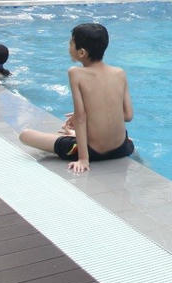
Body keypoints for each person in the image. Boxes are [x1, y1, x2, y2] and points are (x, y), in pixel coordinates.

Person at [18, 23, 134, 174]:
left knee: (25, 135)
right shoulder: (119, 72)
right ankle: (77, 136)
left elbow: (80, 118)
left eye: (71, 43)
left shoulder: (76, 73)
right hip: (123, 148)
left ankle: (75, 140)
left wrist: (83, 159)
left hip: (92, 152)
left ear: (81, 52)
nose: (69, 47)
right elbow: (128, 116)